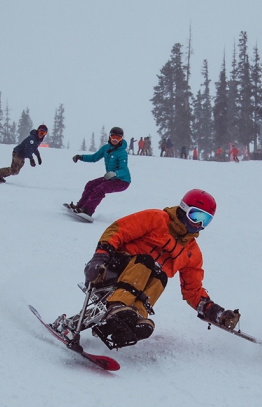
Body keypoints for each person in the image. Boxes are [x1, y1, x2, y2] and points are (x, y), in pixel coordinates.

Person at [82, 189, 240, 347]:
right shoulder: (157, 219)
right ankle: (119, 307)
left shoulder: (192, 252)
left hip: (140, 284)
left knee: (161, 275)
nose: (199, 224)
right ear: (184, 209)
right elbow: (118, 230)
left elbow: (193, 289)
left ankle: (134, 317)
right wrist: (100, 256)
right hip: (111, 269)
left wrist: (213, 311)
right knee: (147, 262)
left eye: (205, 220)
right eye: (196, 216)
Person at [70, 127, 130, 217]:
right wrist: (81, 157)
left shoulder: (122, 152)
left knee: (100, 189)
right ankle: (80, 206)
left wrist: (115, 173)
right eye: (113, 137)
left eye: (118, 138)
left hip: (122, 181)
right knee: (90, 185)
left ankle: (87, 211)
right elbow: (94, 157)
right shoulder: (106, 148)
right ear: (109, 137)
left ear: (121, 139)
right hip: (110, 178)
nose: (115, 140)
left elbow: (124, 170)